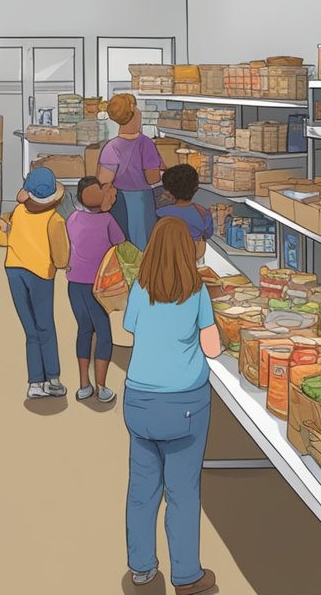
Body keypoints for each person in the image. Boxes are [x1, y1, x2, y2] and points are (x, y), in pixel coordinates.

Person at [121, 217, 222, 595]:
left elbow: (130, 331)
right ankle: (186, 574)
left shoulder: (139, 287)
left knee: (142, 487)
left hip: (140, 400)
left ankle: (142, 567)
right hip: (185, 403)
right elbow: (212, 348)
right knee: (182, 490)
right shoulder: (197, 292)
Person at [0, 167, 70, 400]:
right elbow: (61, 259)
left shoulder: (17, 211)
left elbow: (2, 240)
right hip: (40, 274)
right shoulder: (55, 219)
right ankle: (53, 378)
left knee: (30, 329)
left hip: (14, 270)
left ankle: (35, 382)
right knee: (45, 325)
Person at [66, 177, 126, 403]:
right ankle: (102, 387)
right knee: (104, 335)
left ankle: (83, 384)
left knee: (84, 330)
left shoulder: (72, 218)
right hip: (99, 286)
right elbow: (119, 244)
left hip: (74, 284)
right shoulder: (108, 220)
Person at [97, 93, 165, 251]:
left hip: (118, 201)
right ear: (134, 111)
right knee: (142, 246)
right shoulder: (145, 144)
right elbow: (152, 178)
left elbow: (104, 180)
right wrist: (163, 175)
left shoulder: (111, 147)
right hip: (141, 202)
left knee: (122, 246)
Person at [157, 164, 213, 262]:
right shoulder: (203, 213)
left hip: (169, 257)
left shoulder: (161, 213)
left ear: (169, 192)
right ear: (196, 188)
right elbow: (208, 233)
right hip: (194, 256)